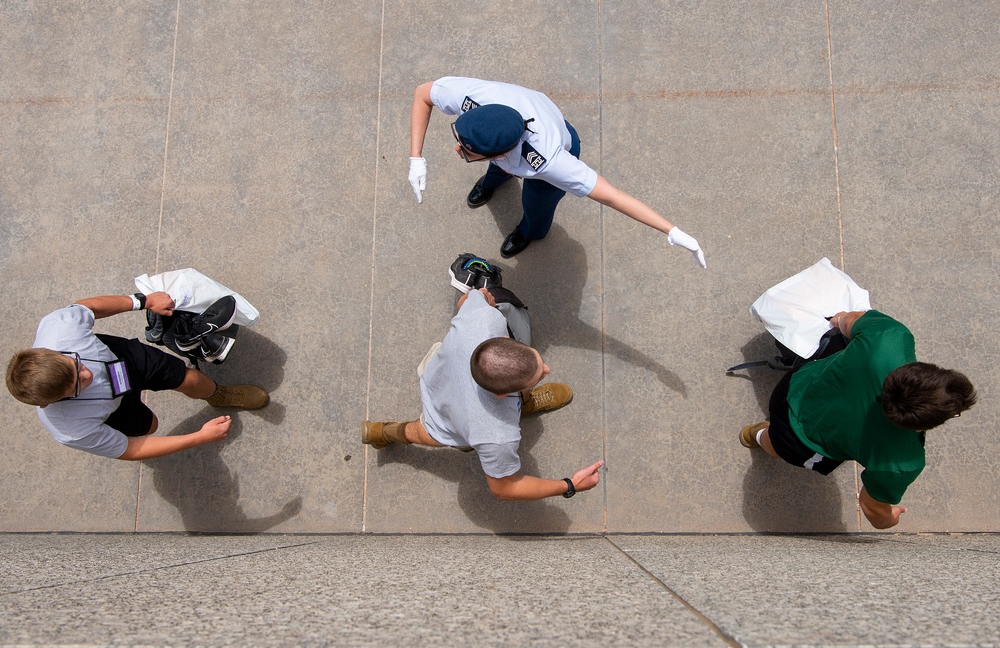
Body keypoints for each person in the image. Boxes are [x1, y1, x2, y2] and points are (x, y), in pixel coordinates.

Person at [408, 76, 706, 265]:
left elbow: (612, 196)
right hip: (506, 148)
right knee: (497, 170)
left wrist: (672, 231)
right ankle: (494, 180)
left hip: (559, 145)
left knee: (537, 205)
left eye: (465, 149)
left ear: (499, 152)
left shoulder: (548, 161)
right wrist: (416, 158)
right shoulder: (473, 102)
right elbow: (424, 93)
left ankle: (531, 232)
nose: (457, 149)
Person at [739, 309, 976, 529]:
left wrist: (836, 319)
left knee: (840, 345)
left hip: (795, 387)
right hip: (801, 440)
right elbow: (872, 509)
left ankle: (758, 433)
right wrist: (890, 517)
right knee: (780, 444)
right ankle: (759, 435)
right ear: (923, 423)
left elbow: (845, 320)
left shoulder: (889, 338)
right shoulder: (902, 462)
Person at [363, 287, 604, 501]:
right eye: (538, 375)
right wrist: (570, 485)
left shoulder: (484, 320)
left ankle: (380, 432)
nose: (547, 370)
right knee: (430, 431)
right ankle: (383, 432)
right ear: (501, 396)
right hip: (450, 423)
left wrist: (485, 300)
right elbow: (504, 488)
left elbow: (470, 297)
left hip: (436, 378)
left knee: (420, 428)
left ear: (502, 340)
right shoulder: (496, 433)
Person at [6, 292, 270, 461]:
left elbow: (88, 307)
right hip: (113, 409)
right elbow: (129, 449)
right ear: (48, 404)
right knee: (150, 427)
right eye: (78, 385)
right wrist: (198, 438)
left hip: (122, 361)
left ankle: (219, 395)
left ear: (49, 351)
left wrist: (142, 301)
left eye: (76, 364)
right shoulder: (69, 428)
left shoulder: (59, 328)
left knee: (189, 379)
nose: (87, 374)